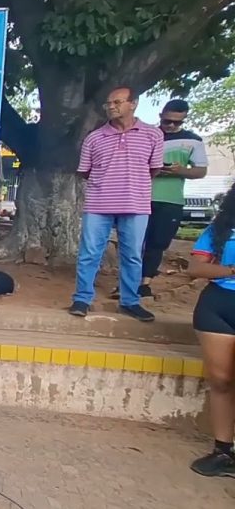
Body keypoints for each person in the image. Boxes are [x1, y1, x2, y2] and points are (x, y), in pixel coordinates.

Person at [69, 86, 164, 321]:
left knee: (132, 255)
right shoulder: (94, 137)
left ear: (133, 104)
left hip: (136, 204)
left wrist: (130, 183)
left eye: (117, 102)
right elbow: (85, 171)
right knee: (89, 253)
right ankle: (82, 299)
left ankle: (130, 302)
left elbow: (154, 169)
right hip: (98, 204)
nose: (111, 107)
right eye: (108, 103)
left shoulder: (153, 135)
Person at [187, 184, 235, 477]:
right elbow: (196, 268)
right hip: (216, 307)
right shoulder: (219, 230)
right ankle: (222, 451)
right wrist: (231, 270)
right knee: (221, 381)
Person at [136, 99, 206, 297]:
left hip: (171, 200)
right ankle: (127, 282)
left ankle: (144, 283)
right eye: (168, 121)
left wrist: (179, 170)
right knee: (134, 242)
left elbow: (201, 171)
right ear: (160, 116)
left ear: (184, 119)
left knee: (157, 243)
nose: (172, 126)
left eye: (178, 122)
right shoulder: (145, 135)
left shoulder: (194, 140)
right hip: (139, 196)